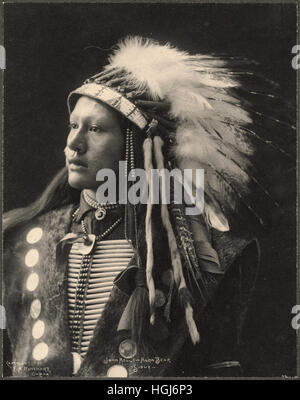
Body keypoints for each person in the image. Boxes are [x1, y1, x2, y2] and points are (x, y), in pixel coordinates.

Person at [3, 36, 293, 377]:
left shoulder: (206, 257)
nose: (72, 144)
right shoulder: (20, 242)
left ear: (135, 146)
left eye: (95, 129)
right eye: (73, 125)